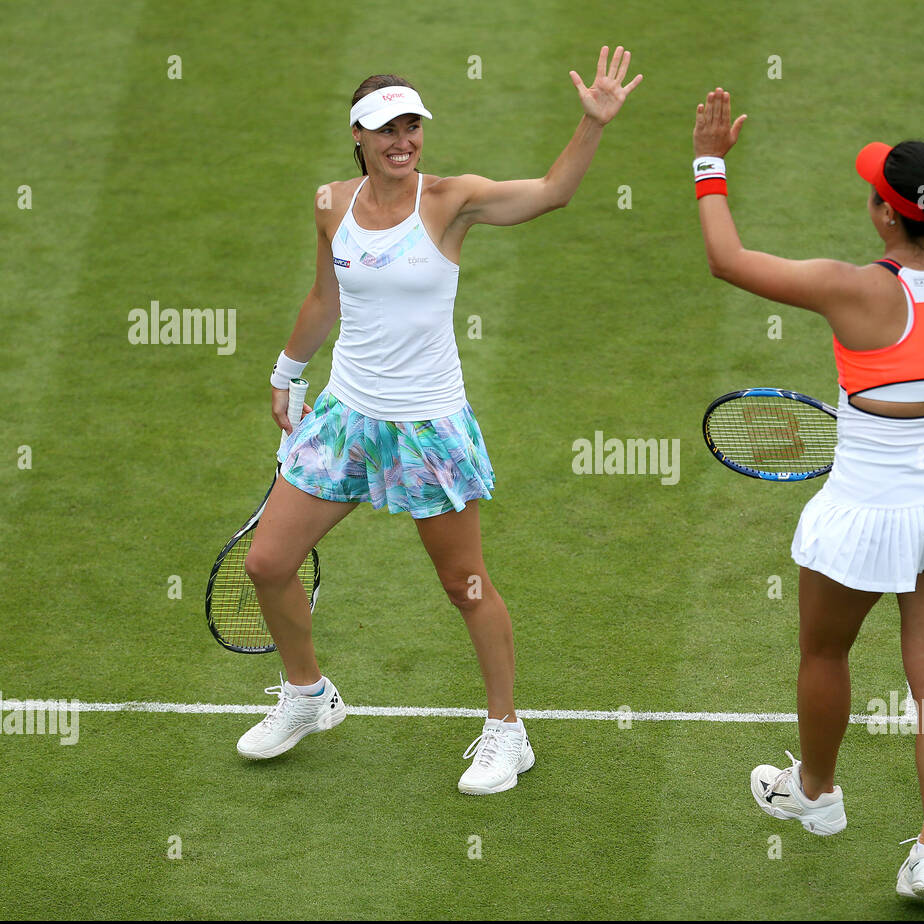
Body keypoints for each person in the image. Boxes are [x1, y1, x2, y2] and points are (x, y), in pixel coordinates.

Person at [235, 47, 642, 796]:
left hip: (426, 428)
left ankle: (506, 731)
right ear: (357, 134)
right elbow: (324, 299)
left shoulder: (450, 201)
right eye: (386, 128)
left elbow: (553, 192)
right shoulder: (331, 204)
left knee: (467, 586)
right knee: (266, 564)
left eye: (412, 126)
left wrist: (591, 125)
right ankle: (307, 694)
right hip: (346, 417)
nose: (403, 140)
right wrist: (285, 373)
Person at [691, 88, 924, 900]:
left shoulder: (847, 287)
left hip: (867, 513)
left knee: (823, 651)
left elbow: (726, 259)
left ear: (887, 216)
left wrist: (710, 164)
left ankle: (815, 791)